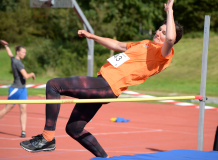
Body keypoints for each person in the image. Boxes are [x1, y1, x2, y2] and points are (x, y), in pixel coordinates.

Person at [20, 0, 183, 157]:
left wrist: (170, 11)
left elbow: (169, 39)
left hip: (107, 85)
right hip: (102, 85)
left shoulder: (164, 54)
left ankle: (47, 137)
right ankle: (104, 157)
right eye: (159, 29)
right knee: (74, 129)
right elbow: (118, 45)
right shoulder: (145, 43)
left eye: (163, 31)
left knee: (54, 85)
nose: (158, 32)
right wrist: (92, 36)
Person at [0, 40, 36, 138]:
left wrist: (6, 46)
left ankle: (23, 131)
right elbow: (25, 75)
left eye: (25, 52)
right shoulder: (18, 62)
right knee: (7, 108)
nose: (25, 54)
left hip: (23, 89)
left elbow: (10, 54)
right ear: (18, 52)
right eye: (23, 52)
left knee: (23, 109)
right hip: (16, 89)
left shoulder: (14, 59)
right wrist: (32, 74)